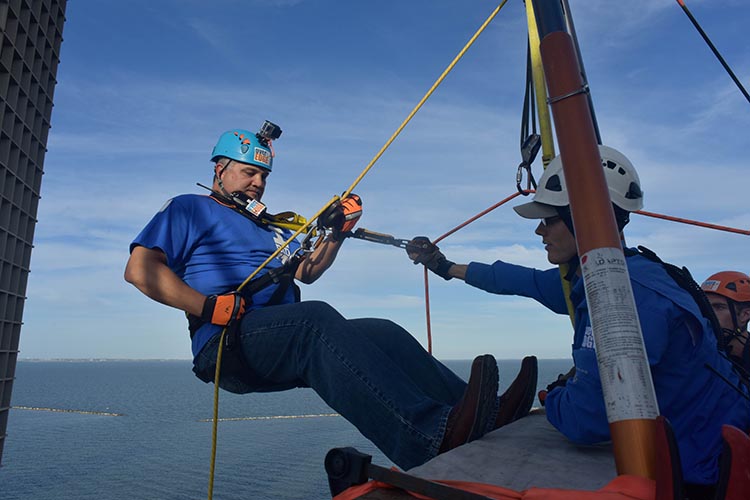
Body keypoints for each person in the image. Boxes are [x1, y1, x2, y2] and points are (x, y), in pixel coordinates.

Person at [124, 123, 537, 471]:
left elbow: (308, 271)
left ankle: (484, 415)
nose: (258, 182)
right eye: (250, 172)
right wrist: (207, 306)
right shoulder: (189, 209)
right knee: (314, 320)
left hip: (279, 336)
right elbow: (140, 269)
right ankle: (428, 437)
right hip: (226, 341)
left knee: (384, 332)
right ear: (220, 169)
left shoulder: (272, 226)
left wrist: (337, 234)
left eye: (264, 176)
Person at [406, 145, 750, 494]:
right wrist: (445, 267)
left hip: (706, 472)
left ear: (582, 217)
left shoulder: (622, 295)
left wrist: (551, 396)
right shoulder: (624, 271)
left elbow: (585, 418)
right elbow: (521, 280)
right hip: (708, 442)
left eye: (549, 219)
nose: (540, 231)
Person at [701, 271, 750, 370]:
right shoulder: (698, 353)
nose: (708, 314)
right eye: (704, 307)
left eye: (719, 307)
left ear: (745, 315)